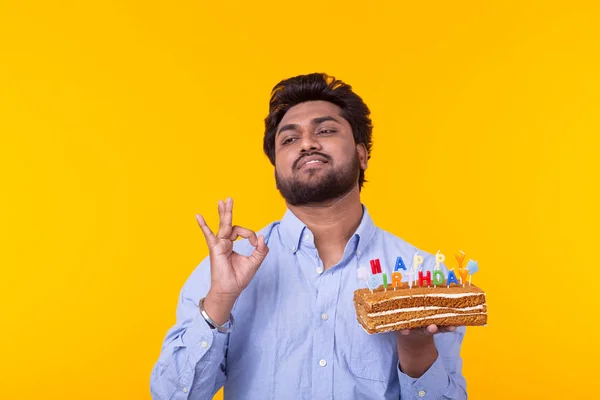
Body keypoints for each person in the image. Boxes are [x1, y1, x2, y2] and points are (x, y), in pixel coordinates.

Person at [150, 73, 468, 400]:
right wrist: (220, 298)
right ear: (276, 169)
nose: (306, 144)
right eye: (289, 139)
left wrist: (416, 349)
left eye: (326, 131)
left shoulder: (423, 277)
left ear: (362, 154)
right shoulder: (225, 270)